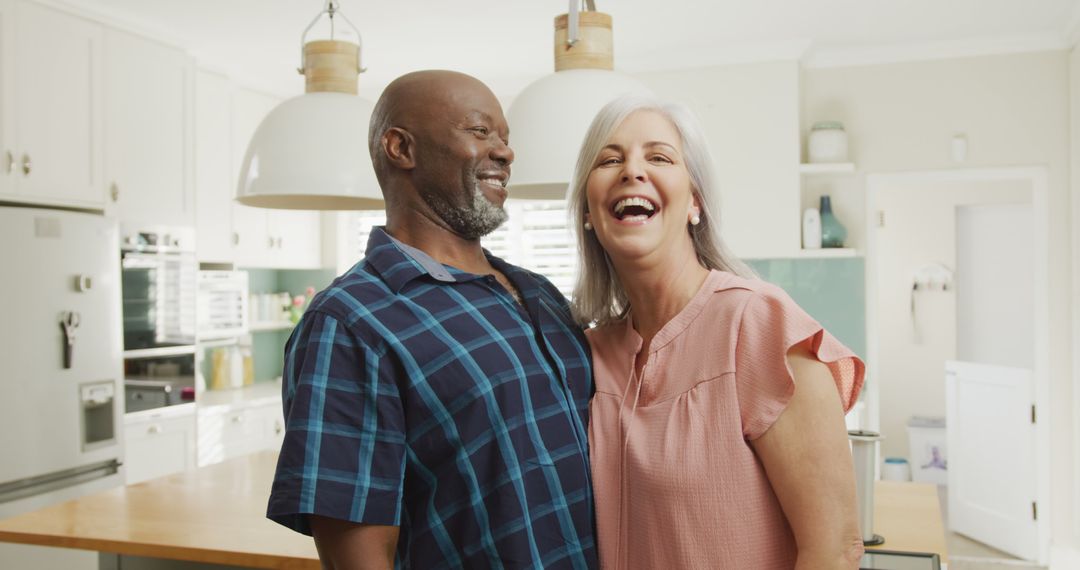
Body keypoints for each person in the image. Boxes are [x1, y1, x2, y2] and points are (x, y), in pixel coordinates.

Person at [267, 70, 597, 569]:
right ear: (401, 148)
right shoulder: (350, 322)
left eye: (505, 138)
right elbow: (358, 555)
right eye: (480, 131)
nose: (505, 153)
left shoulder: (540, 292)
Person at [569, 95, 866, 569]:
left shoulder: (760, 326)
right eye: (610, 160)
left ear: (695, 203)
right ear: (588, 210)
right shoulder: (586, 355)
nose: (632, 171)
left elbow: (835, 549)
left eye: (659, 157)